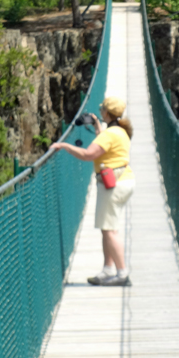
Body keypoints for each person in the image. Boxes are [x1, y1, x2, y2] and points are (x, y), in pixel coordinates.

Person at [51, 96, 135, 286]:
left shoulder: (109, 134)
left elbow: (89, 154)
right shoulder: (119, 131)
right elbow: (106, 146)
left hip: (112, 185)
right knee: (108, 228)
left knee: (109, 231)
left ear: (107, 112)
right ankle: (108, 270)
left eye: (102, 110)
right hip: (124, 180)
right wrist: (98, 126)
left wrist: (64, 146)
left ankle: (122, 274)